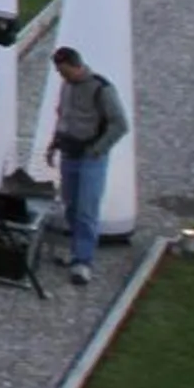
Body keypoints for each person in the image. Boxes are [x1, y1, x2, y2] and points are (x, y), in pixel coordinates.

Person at [47, 46, 131, 286]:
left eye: (64, 72)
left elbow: (120, 124)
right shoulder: (66, 87)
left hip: (90, 157)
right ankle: (75, 249)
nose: (62, 77)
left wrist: (97, 149)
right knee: (71, 205)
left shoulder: (101, 89)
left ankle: (83, 260)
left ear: (76, 66)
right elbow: (63, 117)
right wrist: (54, 144)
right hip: (69, 153)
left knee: (86, 209)